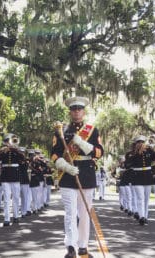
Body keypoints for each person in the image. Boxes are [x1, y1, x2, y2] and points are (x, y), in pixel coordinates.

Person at [51, 96, 104, 258]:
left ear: (83, 111)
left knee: (85, 213)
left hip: (86, 174)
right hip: (68, 174)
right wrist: (65, 166)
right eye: (74, 109)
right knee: (70, 212)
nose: (76, 112)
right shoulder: (61, 130)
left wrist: (80, 142)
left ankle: (83, 245)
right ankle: (71, 247)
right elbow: (54, 155)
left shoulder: (92, 130)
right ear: (70, 112)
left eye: (79, 109)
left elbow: (99, 152)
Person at [125, 135, 155, 225]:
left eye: (142, 142)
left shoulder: (148, 151)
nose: (141, 144)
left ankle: (145, 216)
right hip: (137, 177)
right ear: (135, 144)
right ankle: (142, 217)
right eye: (139, 142)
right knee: (140, 197)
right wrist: (136, 153)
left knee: (146, 199)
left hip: (147, 176)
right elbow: (127, 165)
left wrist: (151, 149)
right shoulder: (131, 153)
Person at [0, 134, 26, 226]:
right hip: (5, 176)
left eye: (11, 141)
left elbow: (23, 159)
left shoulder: (17, 151)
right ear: (6, 143)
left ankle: (16, 216)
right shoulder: (3, 151)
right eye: (8, 142)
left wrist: (15, 149)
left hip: (15, 177)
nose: (10, 143)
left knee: (16, 197)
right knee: (7, 199)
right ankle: (6, 219)